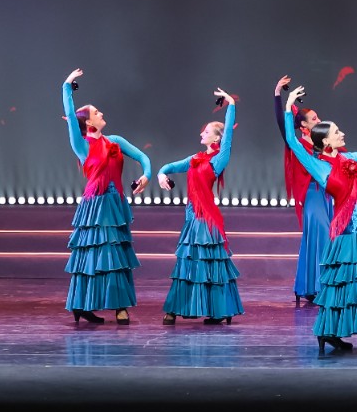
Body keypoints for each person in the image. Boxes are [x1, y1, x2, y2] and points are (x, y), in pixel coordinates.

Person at [283, 85, 357, 353]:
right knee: (338, 286)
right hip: (342, 234)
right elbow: (291, 141)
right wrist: (288, 102)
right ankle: (329, 333)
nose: (343, 134)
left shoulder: (354, 158)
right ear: (326, 141)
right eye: (337, 132)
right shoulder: (317, 165)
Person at [61, 67, 152, 325]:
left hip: (115, 203)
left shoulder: (115, 141)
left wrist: (146, 175)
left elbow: (143, 157)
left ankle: (118, 305)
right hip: (95, 205)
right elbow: (70, 115)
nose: (101, 113)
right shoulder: (81, 145)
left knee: (116, 253)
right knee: (93, 253)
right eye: (96, 112)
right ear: (89, 123)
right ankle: (85, 304)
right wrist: (67, 86)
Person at [157, 89, 243, 325]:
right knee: (188, 261)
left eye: (206, 131)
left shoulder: (219, 159)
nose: (201, 133)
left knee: (208, 263)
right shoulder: (194, 159)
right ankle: (178, 307)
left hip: (207, 217)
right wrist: (161, 174)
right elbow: (169, 166)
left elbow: (228, 135)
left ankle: (218, 309)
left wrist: (231, 104)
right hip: (192, 215)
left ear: (216, 139)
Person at [274, 74, 330, 305]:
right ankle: (319, 286)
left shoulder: (324, 143)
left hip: (327, 196)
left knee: (326, 237)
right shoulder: (298, 145)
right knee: (321, 236)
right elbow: (283, 124)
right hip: (312, 197)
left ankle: (314, 285)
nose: (319, 120)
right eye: (314, 118)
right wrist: (279, 95)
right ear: (304, 126)